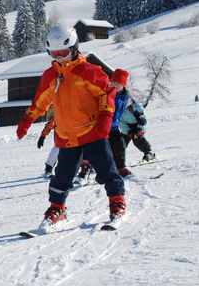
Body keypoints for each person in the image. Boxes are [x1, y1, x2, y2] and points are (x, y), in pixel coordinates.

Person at [16, 24, 126, 228]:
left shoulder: (89, 71)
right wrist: (27, 120)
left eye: (64, 52)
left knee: (106, 170)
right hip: (66, 135)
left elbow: (107, 94)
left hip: (93, 131)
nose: (60, 57)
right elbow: (40, 101)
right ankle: (57, 208)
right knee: (61, 177)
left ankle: (117, 203)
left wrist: (105, 118)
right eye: (54, 53)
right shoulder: (50, 75)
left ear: (74, 48)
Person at [108, 69, 155, 177]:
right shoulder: (109, 94)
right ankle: (99, 166)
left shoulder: (127, 99)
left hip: (134, 125)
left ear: (123, 85)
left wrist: (140, 122)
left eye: (118, 84)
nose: (115, 86)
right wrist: (127, 131)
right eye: (113, 83)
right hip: (122, 127)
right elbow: (120, 120)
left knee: (136, 139)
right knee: (119, 145)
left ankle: (148, 152)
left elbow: (140, 115)